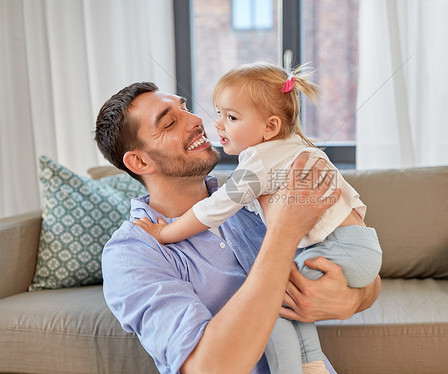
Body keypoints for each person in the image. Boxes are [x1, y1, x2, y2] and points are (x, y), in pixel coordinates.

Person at [95, 81, 381, 374]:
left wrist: (349, 300)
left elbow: (366, 274)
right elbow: (210, 368)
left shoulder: (250, 197)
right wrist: (285, 231)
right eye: (170, 122)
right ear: (139, 161)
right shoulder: (132, 254)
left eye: (186, 108)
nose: (196, 120)